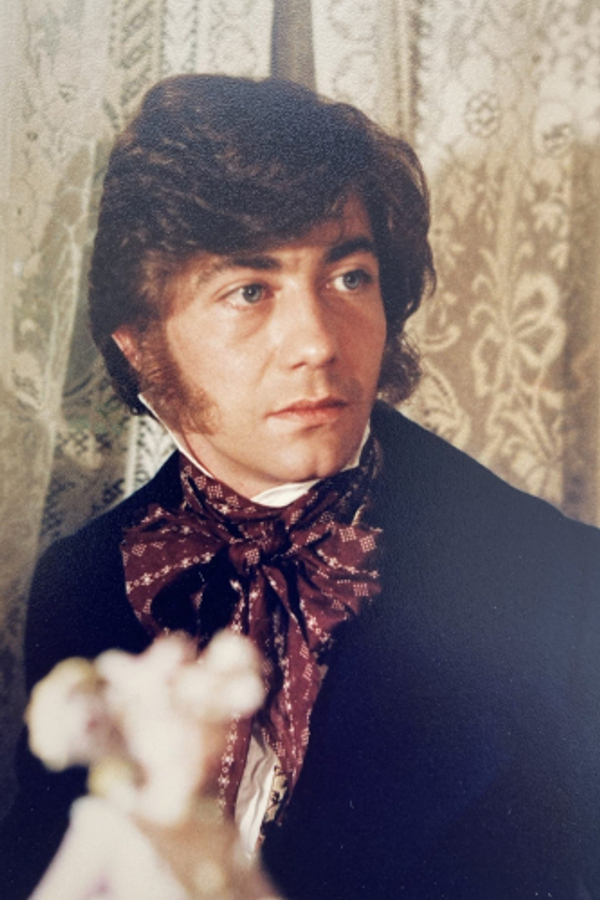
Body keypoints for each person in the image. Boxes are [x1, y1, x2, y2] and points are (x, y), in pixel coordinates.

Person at [2, 74, 600, 900]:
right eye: (249, 292)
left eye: (349, 277)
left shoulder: (559, 582)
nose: (317, 341)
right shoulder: (81, 582)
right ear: (140, 343)